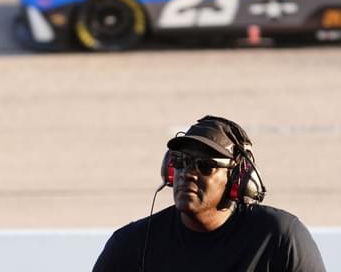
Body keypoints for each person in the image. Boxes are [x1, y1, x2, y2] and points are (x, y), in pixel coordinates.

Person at [92, 115, 326, 272]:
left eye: (205, 166)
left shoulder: (280, 237)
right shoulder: (131, 244)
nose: (188, 174)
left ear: (237, 178)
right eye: (181, 162)